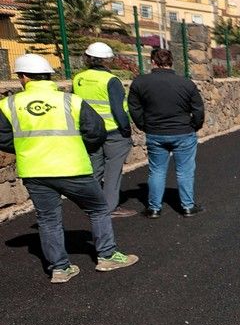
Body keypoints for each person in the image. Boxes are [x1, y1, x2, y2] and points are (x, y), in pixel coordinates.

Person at [0, 53, 139, 282]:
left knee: (47, 219)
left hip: (35, 170)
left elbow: (3, 138)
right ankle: (107, 255)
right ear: (48, 77)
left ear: (23, 77)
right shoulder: (70, 101)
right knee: (98, 209)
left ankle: (60, 269)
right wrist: (78, 146)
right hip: (73, 167)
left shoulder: (8, 105)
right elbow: (96, 131)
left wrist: (28, 147)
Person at [129, 47, 205, 218]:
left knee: (156, 170)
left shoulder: (140, 83)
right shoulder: (186, 83)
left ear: (152, 62)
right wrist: (195, 125)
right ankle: (187, 206)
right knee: (185, 171)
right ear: (171, 62)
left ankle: (154, 208)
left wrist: (144, 125)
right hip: (183, 132)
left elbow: (134, 108)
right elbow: (198, 109)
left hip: (155, 132)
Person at [73, 41, 134, 217]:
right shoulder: (111, 80)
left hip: (89, 131)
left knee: (94, 169)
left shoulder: (79, 78)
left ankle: (92, 204)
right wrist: (126, 129)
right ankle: (109, 208)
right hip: (112, 131)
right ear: (108, 60)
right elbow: (118, 109)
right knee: (113, 170)